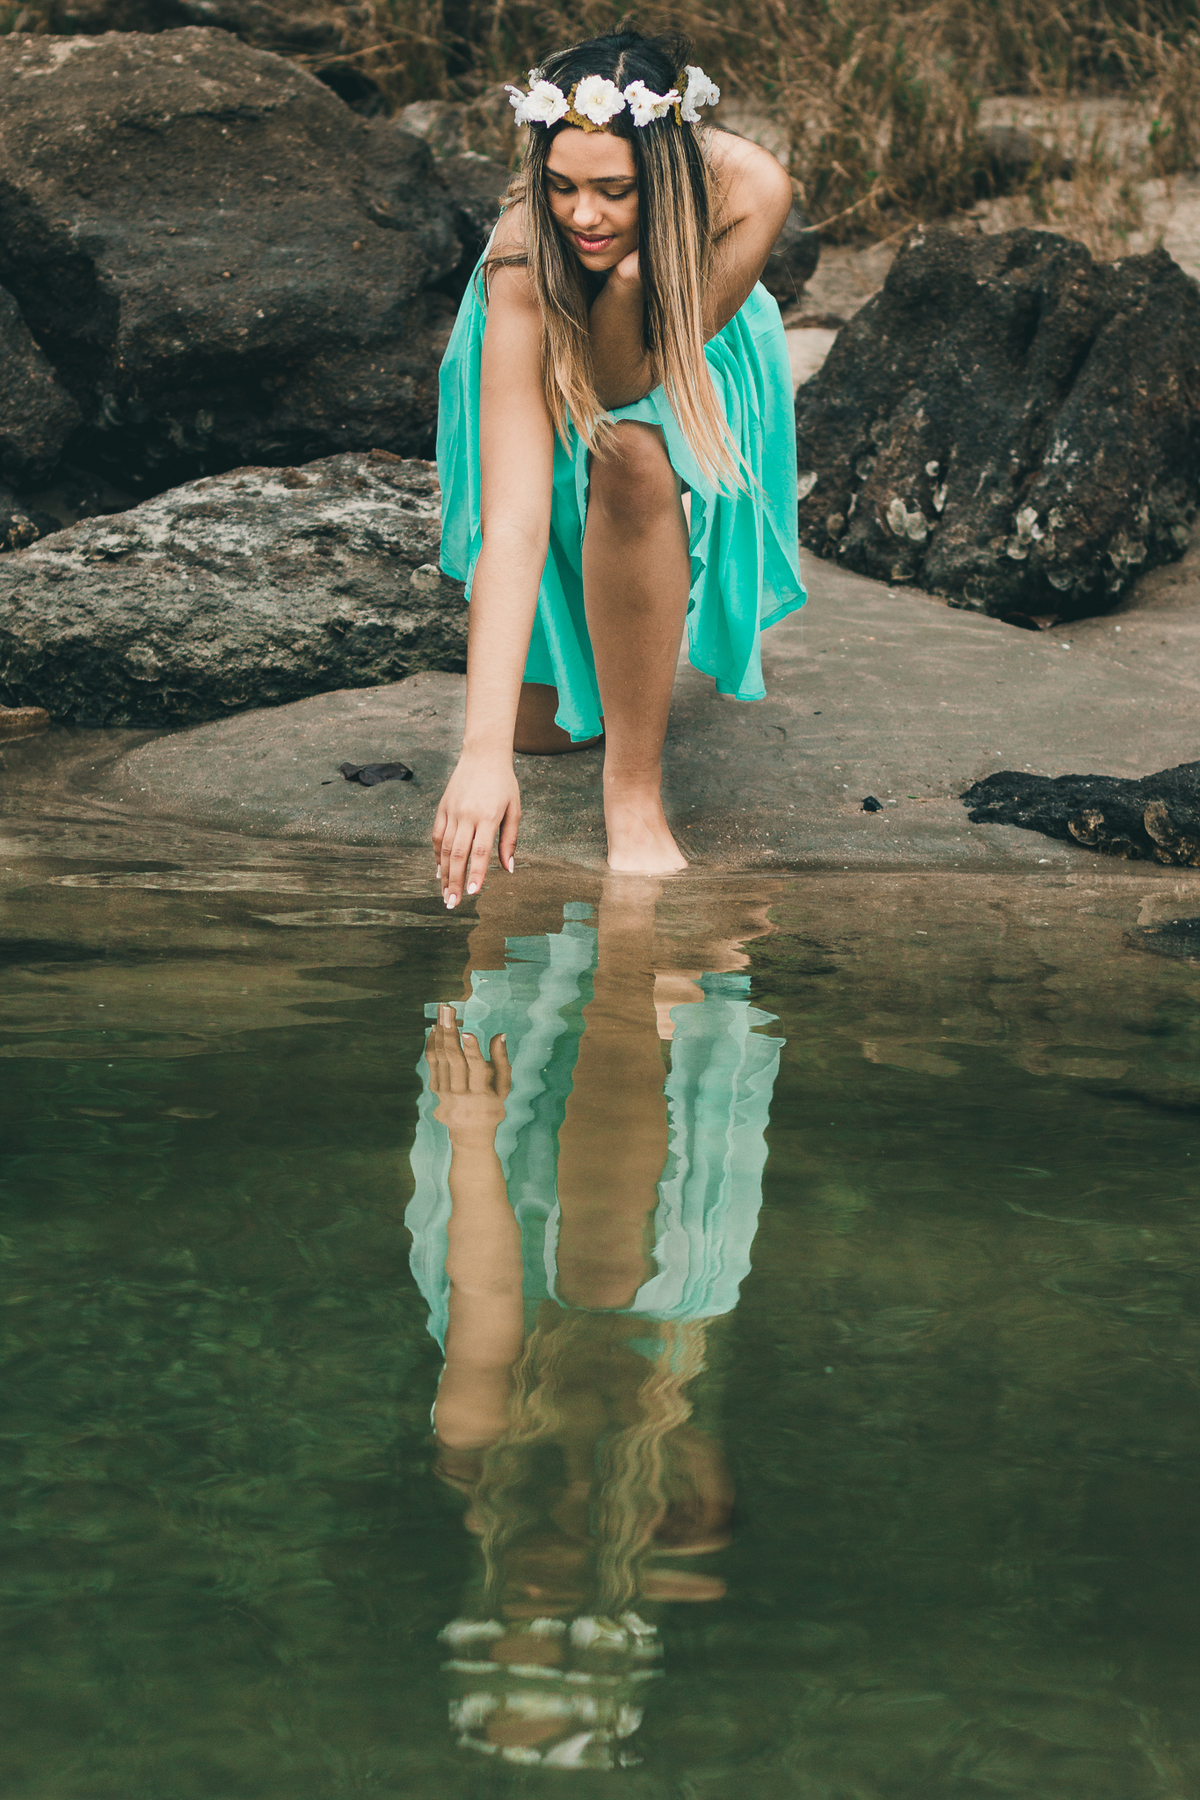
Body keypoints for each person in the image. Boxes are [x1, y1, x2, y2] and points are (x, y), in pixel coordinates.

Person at [406, 876, 785, 1766]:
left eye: (507, 1627)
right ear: (604, 1636)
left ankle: (592, 956)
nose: (532, 1613)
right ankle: (674, 989)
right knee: (624, 1292)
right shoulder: (684, 1519)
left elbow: (489, 1299)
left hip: (502, 1250)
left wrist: (470, 1134)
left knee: (591, 1277)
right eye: (557, 1638)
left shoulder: (476, 1462)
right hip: (657, 1275)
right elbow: (663, 1366)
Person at [433, 28, 805, 909]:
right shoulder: (527, 256)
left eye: (613, 191)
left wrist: (636, 285)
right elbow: (514, 523)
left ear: (666, 179)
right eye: (560, 186)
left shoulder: (749, 190)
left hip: (686, 342)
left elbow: (631, 379)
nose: (584, 217)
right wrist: (477, 757)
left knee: (630, 451)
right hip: (555, 347)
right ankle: (608, 641)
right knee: (538, 734)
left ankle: (633, 793)